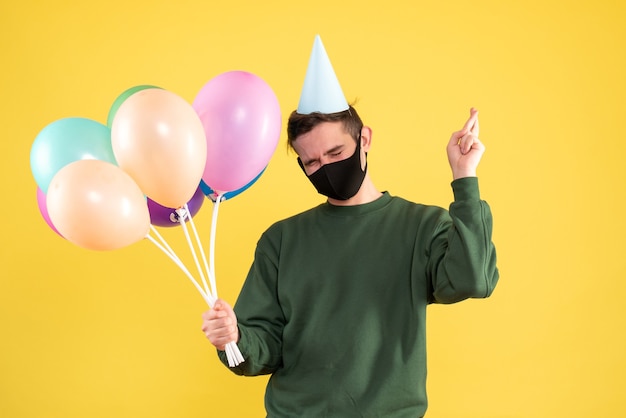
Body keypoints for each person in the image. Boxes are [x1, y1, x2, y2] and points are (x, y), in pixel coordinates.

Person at [201, 36, 499, 417]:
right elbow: (262, 348)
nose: (324, 167)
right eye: (311, 162)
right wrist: (234, 338)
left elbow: (474, 280)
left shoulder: (421, 226)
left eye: (336, 153)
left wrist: (464, 178)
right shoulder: (282, 240)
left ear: (365, 139)